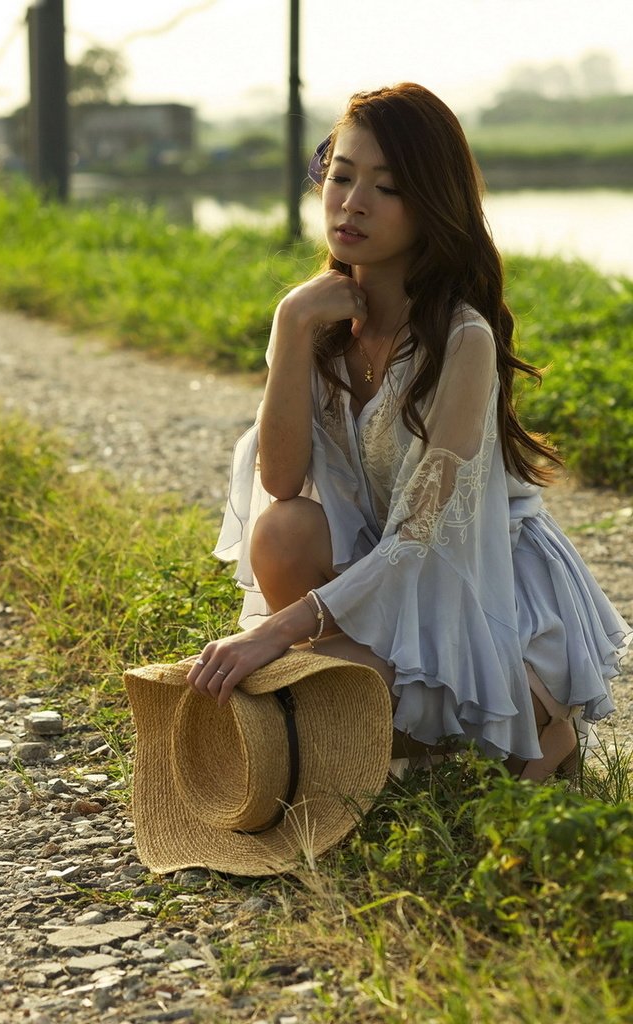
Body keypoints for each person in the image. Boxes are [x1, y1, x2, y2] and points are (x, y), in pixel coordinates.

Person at [187, 83, 630, 780]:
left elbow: (420, 543)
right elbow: (278, 481)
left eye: (386, 188)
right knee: (282, 528)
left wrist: (276, 632)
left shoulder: (463, 339)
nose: (351, 202)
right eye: (340, 176)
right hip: (376, 568)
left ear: (431, 207)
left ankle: (536, 716)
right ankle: (378, 712)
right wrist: (291, 325)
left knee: (302, 680)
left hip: (471, 579)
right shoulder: (317, 322)